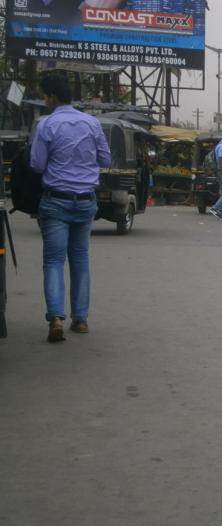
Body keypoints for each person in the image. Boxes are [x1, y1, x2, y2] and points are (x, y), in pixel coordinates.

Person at [30, 74, 111, 342]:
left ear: (52, 97)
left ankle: (55, 317)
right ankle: (81, 319)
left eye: (45, 96)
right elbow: (105, 159)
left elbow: (38, 165)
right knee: (80, 259)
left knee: (53, 260)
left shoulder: (46, 124)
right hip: (86, 200)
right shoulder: (92, 124)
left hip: (56, 200)